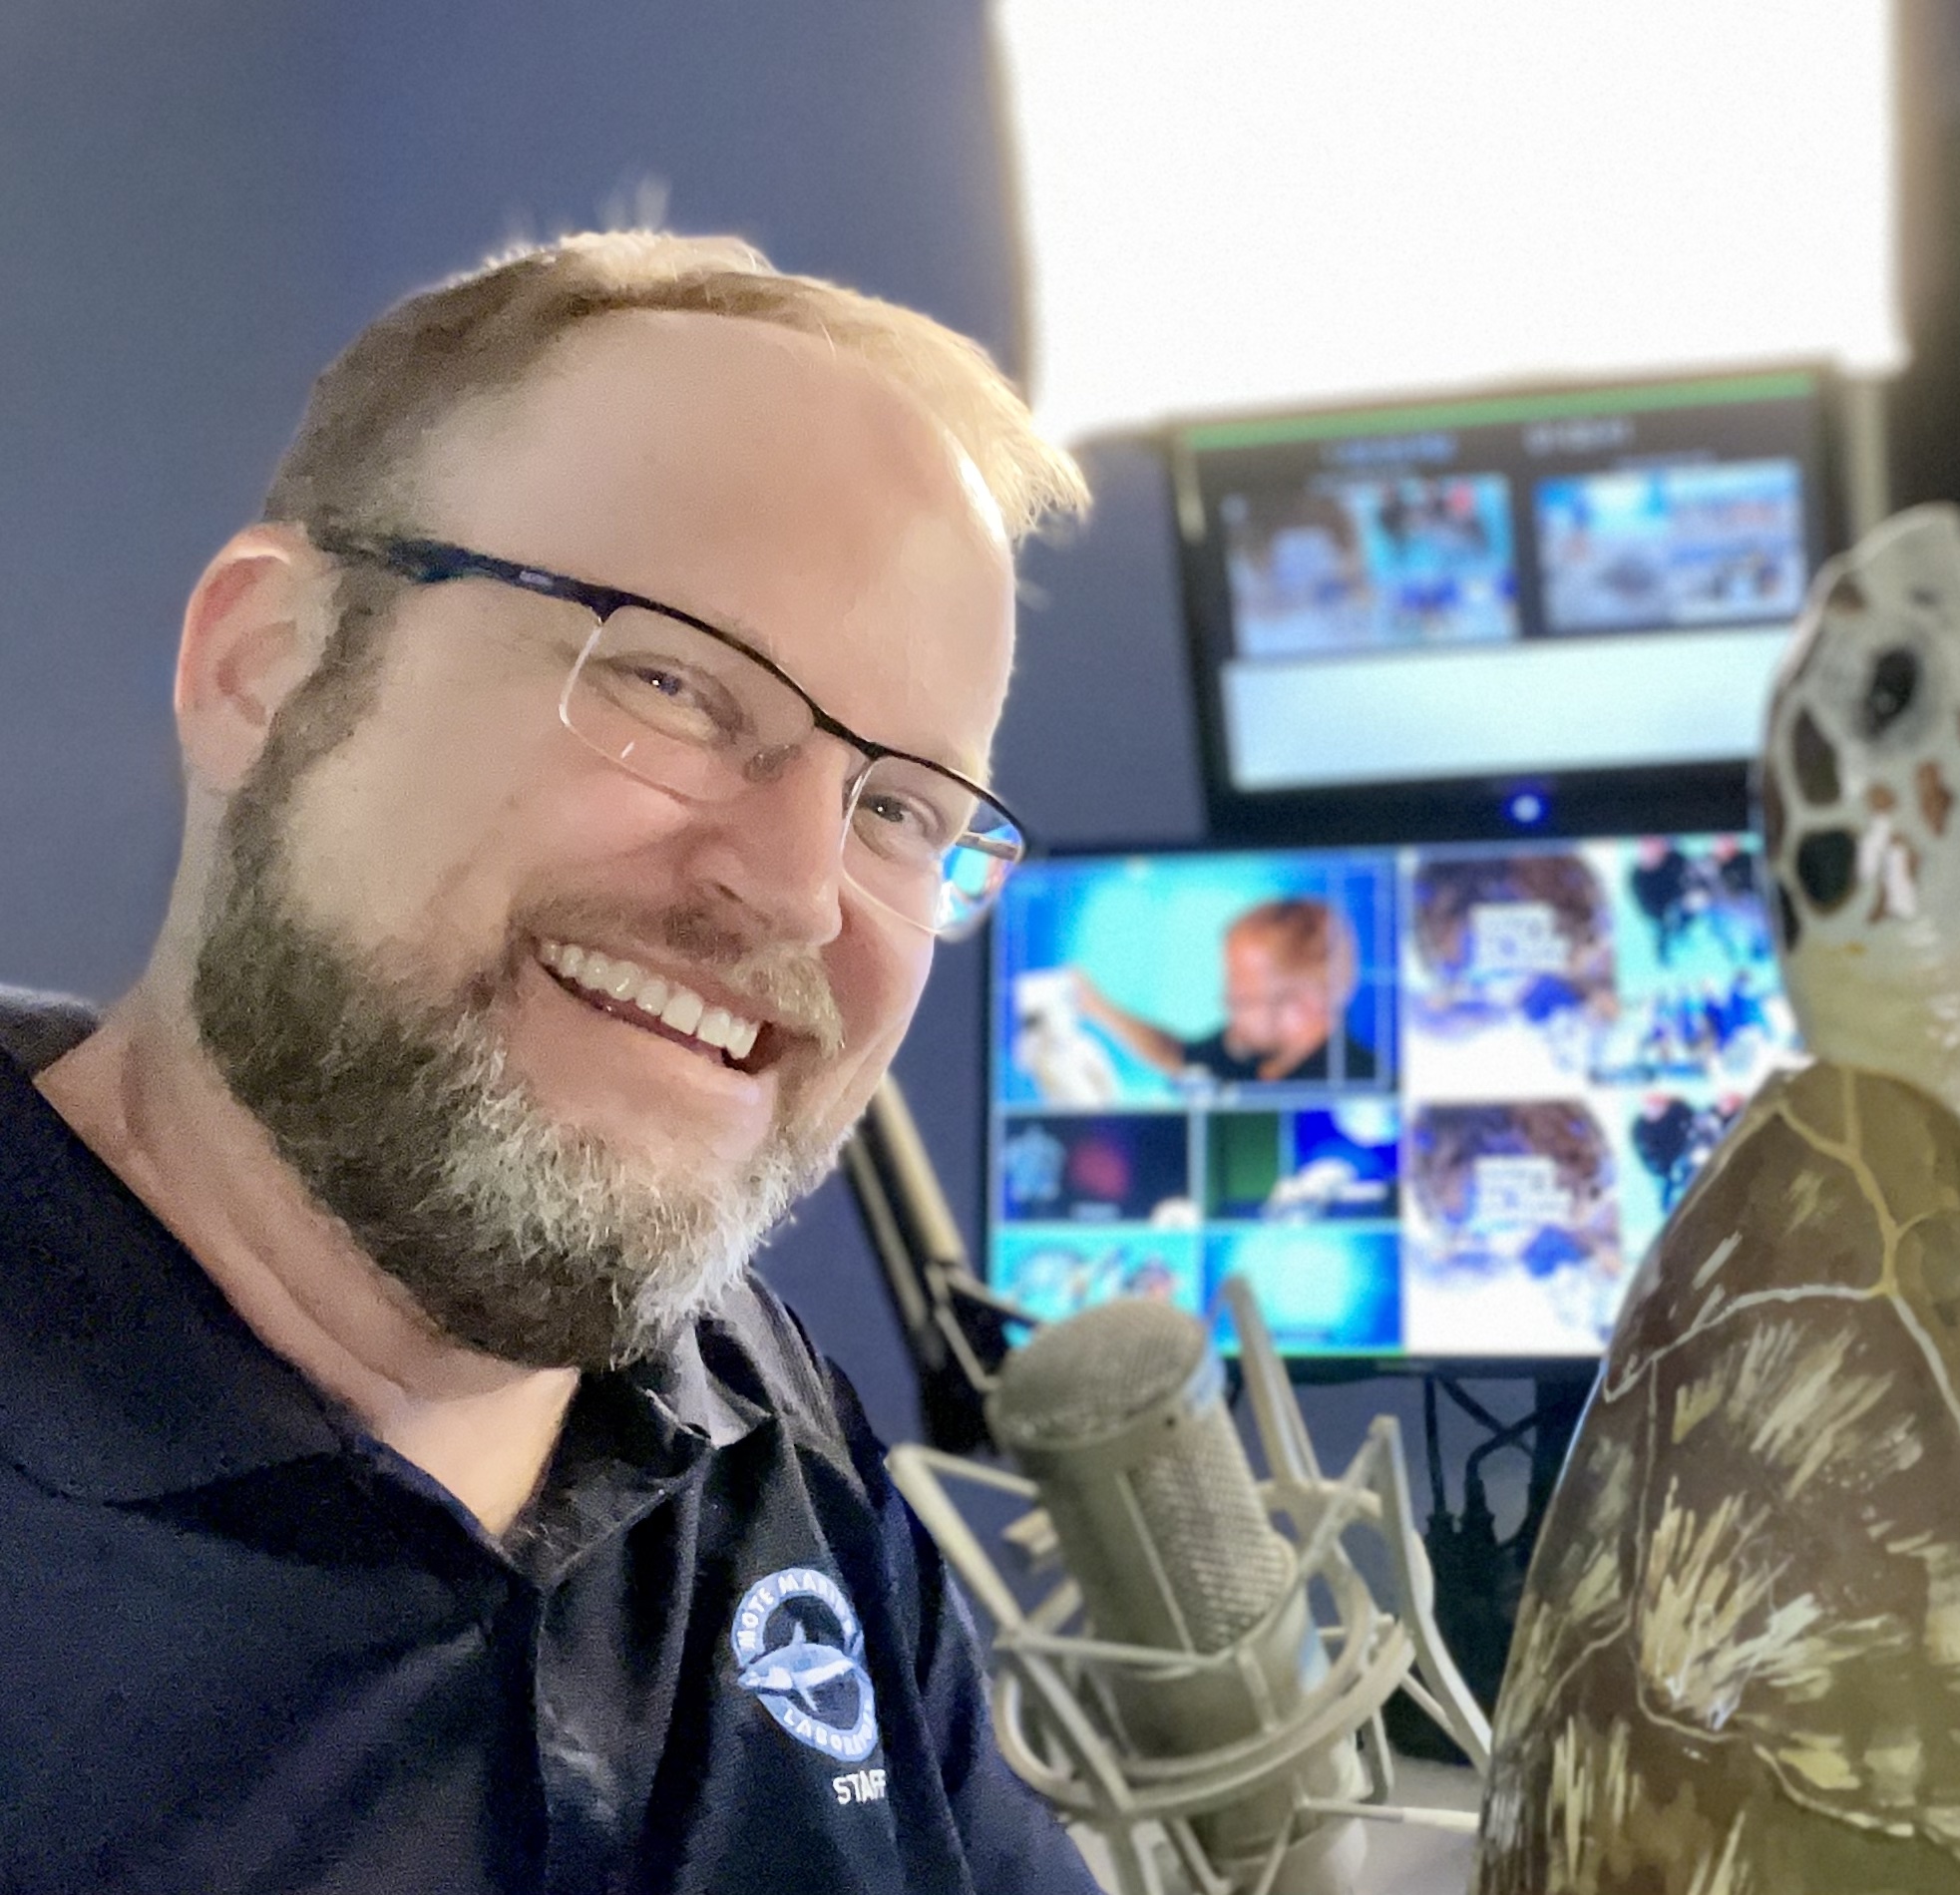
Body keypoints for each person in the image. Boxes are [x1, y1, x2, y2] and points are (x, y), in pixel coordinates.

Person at [0, 231, 1104, 1893]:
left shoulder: (762, 1436)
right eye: (673, 680)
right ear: (265, 667)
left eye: (899, 810)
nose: (797, 891)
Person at [1068, 897, 1373, 1086]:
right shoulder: (1250, 1054)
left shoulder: (1359, 1080)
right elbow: (1177, 1054)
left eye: (1241, 997)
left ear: (1306, 1003)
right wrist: (1097, 1006)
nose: (1228, 1008)